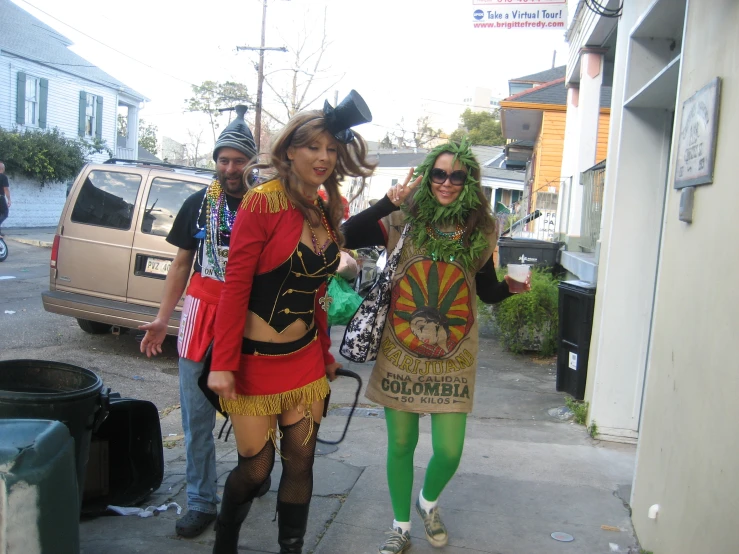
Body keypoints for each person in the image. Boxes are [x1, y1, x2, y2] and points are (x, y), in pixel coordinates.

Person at [207, 91, 376, 554]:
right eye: (313, 147)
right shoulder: (262, 203)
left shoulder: (322, 208)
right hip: (252, 365)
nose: (323, 157)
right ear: (289, 151)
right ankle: (226, 541)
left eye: (330, 149)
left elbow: (316, 295)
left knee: (301, 462)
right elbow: (235, 288)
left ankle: (291, 550)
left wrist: (323, 356)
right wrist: (222, 363)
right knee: (256, 469)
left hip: (302, 364)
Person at [341, 140, 531, 554]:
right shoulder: (400, 217)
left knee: (449, 450)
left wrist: (511, 289)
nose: (447, 183)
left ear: (469, 181)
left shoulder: (481, 229)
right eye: (439, 174)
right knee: (401, 445)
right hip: (399, 350)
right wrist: (385, 202)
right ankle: (401, 526)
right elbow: (346, 233)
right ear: (428, 176)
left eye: (457, 176)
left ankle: (427, 501)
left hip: (454, 357)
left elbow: (485, 291)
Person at [138, 106, 261, 538]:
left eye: (238, 160)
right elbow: (179, 265)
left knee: (254, 406)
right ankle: (201, 500)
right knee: (195, 417)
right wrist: (160, 319)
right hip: (201, 312)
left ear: (252, 162)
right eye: (223, 160)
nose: (230, 168)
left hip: (251, 316)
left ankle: (255, 474)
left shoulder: (265, 205)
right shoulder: (198, 204)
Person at [0, 162, 11, 237]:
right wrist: (9, 199)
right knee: (5, 213)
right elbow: (6, 189)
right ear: (3, 169)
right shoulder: (3, 177)